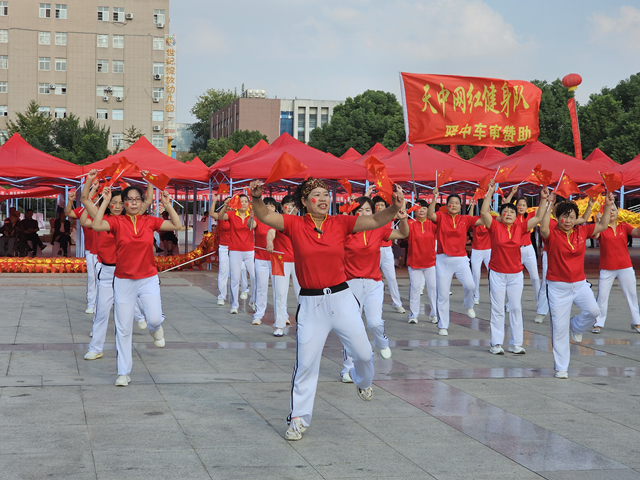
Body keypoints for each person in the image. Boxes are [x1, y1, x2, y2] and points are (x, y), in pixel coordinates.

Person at [249, 178, 404, 441]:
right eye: (316, 195)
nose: (323, 199)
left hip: (342, 300)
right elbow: (263, 214)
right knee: (307, 365)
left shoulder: (340, 223)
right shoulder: (294, 224)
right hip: (311, 304)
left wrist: (394, 207)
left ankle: (362, 381)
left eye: (325, 194)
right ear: (305, 202)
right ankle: (298, 418)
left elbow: (376, 221)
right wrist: (255, 198)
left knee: (365, 355)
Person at [88, 185, 182, 386]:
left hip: (148, 279)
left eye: (136, 199)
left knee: (155, 318)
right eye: (128, 200)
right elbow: (96, 226)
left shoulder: (150, 221)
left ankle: (155, 328)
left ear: (141, 202)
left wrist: (167, 204)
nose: (132, 203)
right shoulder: (116, 221)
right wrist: (105, 201)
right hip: (123, 280)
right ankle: (123, 372)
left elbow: (178, 225)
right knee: (123, 327)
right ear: (124, 203)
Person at [539, 193, 613, 379]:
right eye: (565, 216)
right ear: (558, 218)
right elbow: (544, 227)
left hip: (579, 285)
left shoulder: (581, 231)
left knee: (594, 311)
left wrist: (607, 205)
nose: (568, 220)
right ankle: (561, 367)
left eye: (572, 217)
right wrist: (549, 205)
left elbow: (603, 225)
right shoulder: (552, 234)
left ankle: (577, 327)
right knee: (559, 328)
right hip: (557, 287)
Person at [341, 196, 409, 381]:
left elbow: (403, 234)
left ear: (373, 213)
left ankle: (382, 342)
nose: (363, 214)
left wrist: (403, 219)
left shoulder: (378, 230)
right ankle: (347, 368)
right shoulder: (345, 232)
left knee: (374, 323)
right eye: (359, 210)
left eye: (367, 210)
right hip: (350, 285)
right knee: (351, 328)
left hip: (373, 283)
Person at [480, 181, 549, 355]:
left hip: (515, 274)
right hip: (496, 273)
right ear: (501, 216)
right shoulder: (494, 226)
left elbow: (539, 217)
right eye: (506, 212)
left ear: (516, 214)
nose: (509, 214)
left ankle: (515, 343)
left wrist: (542, 199)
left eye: (512, 211)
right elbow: (483, 212)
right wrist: (489, 192)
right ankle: (496, 344)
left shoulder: (520, 227)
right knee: (497, 308)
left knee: (516, 307)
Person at [427, 188, 483, 336]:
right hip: (443, 259)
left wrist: (487, 197)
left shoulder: (465, 219)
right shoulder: (441, 216)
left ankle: (469, 304)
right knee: (443, 294)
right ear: (447, 205)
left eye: (457, 203)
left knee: (470, 285)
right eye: (451, 203)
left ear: (460, 206)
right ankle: (443, 325)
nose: (454, 205)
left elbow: (484, 219)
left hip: (461, 259)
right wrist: (434, 198)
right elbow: (429, 214)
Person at [534, 199, 592, 323]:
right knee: (546, 282)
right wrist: (547, 203)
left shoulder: (568, 221)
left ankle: (571, 320)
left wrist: (590, 206)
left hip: (566, 253)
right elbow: (542, 226)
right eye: (558, 207)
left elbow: (583, 218)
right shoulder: (548, 219)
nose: (567, 218)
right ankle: (541, 311)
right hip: (550, 252)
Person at [591, 204, 640, 334]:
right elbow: (595, 236)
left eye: (613, 210)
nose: (611, 212)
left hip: (625, 266)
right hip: (607, 267)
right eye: (608, 210)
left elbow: (637, 232)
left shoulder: (623, 226)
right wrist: (598, 221)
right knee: (602, 296)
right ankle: (598, 322)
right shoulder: (601, 228)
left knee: (632, 294)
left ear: (618, 213)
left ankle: (636, 321)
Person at [266, 195, 300, 336]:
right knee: (280, 292)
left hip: (299, 261)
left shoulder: (302, 221)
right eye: (287, 204)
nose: (290, 207)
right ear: (282, 206)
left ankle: (304, 323)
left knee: (303, 294)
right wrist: (269, 242)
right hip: (281, 260)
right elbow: (271, 232)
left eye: (293, 205)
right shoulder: (279, 220)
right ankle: (279, 325)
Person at [208, 195, 251, 306]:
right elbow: (212, 213)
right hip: (224, 247)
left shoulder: (237, 215)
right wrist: (214, 201)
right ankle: (222, 296)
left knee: (242, 269)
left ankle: (244, 290)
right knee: (223, 271)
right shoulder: (224, 216)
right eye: (228, 202)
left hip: (237, 247)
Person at [217, 194, 256, 314]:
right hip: (235, 250)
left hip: (249, 250)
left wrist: (253, 217)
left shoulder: (252, 215)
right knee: (235, 278)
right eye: (241, 201)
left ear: (249, 203)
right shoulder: (232, 215)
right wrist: (225, 205)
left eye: (246, 201)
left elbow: (252, 226)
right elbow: (221, 216)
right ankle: (234, 304)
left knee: (254, 277)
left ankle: (253, 300)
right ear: (237, 204)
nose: (244, 203)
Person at [405, 200, 437, 325]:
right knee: (415, 288)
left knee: (433, 288)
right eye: (419, 208)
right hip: (414, 263)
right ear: (415, 210)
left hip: (430, 263)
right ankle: (413, 314)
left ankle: (434, 314)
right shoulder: (409, 223)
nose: (422, 210)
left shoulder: (434, 225)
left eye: (424, 208)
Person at [372, 195, 405, 314]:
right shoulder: (371, 218)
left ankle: (397, 303)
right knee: (372, 279)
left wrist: (401, 197)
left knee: (391, 278)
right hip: (373, 250)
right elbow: (362, 206)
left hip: (387, 250)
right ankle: (369, 303)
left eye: (382, 205)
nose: (380, 207)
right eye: (378, 205)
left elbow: (401, 210)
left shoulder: (389, 216)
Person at [253, 197, 278, 325]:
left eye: (272, 205)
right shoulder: (258, 218)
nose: (269, 207)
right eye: (266, 205)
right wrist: (252, 216)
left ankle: (281, 314)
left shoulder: (279, 220)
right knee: (261, 287)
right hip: (260, 257)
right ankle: (258, 314)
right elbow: (251, 226)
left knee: (278, 288)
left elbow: (272, 233)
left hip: (275, 258)